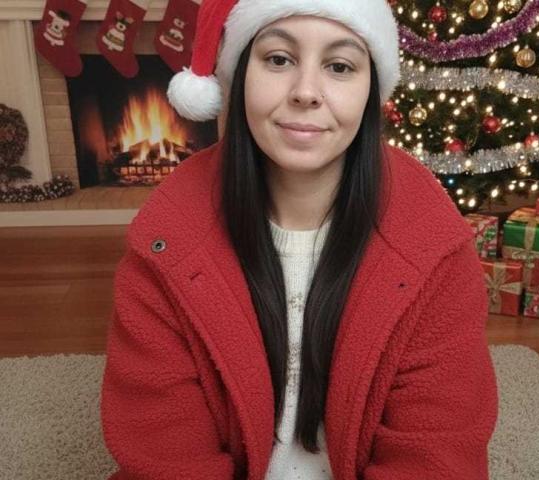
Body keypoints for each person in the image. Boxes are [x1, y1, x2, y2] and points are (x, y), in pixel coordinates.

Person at [99, 0, 499, 479]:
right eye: (278, 59)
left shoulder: (435, 246)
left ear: (371, 90)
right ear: (239, 76)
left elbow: (437, 454)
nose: (306, 92)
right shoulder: (165, 241)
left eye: (339, 66)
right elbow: (163, 455)